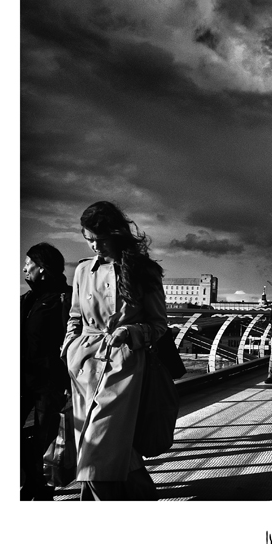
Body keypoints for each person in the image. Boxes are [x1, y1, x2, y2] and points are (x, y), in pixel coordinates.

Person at [62, 201, 168, 500]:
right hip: (83, 367)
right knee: (107, 446)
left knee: (97, 444)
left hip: (123, 369)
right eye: (88, 239)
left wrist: (130, 332)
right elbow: (74, 316)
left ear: (116, 234)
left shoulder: (145, 271)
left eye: (100, 239)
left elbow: (158, 324)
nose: (94, 245)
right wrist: (69, 347)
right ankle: (141, 496)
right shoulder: (83, 270)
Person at [20, 242, 71, 500]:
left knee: (46, 437)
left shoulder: (64, 299)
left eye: (28, 263)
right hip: (23, 380)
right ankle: (32, 481)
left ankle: (40, 488)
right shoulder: (29, 300)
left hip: (50, 382)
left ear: (42, 268)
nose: (23, 268)